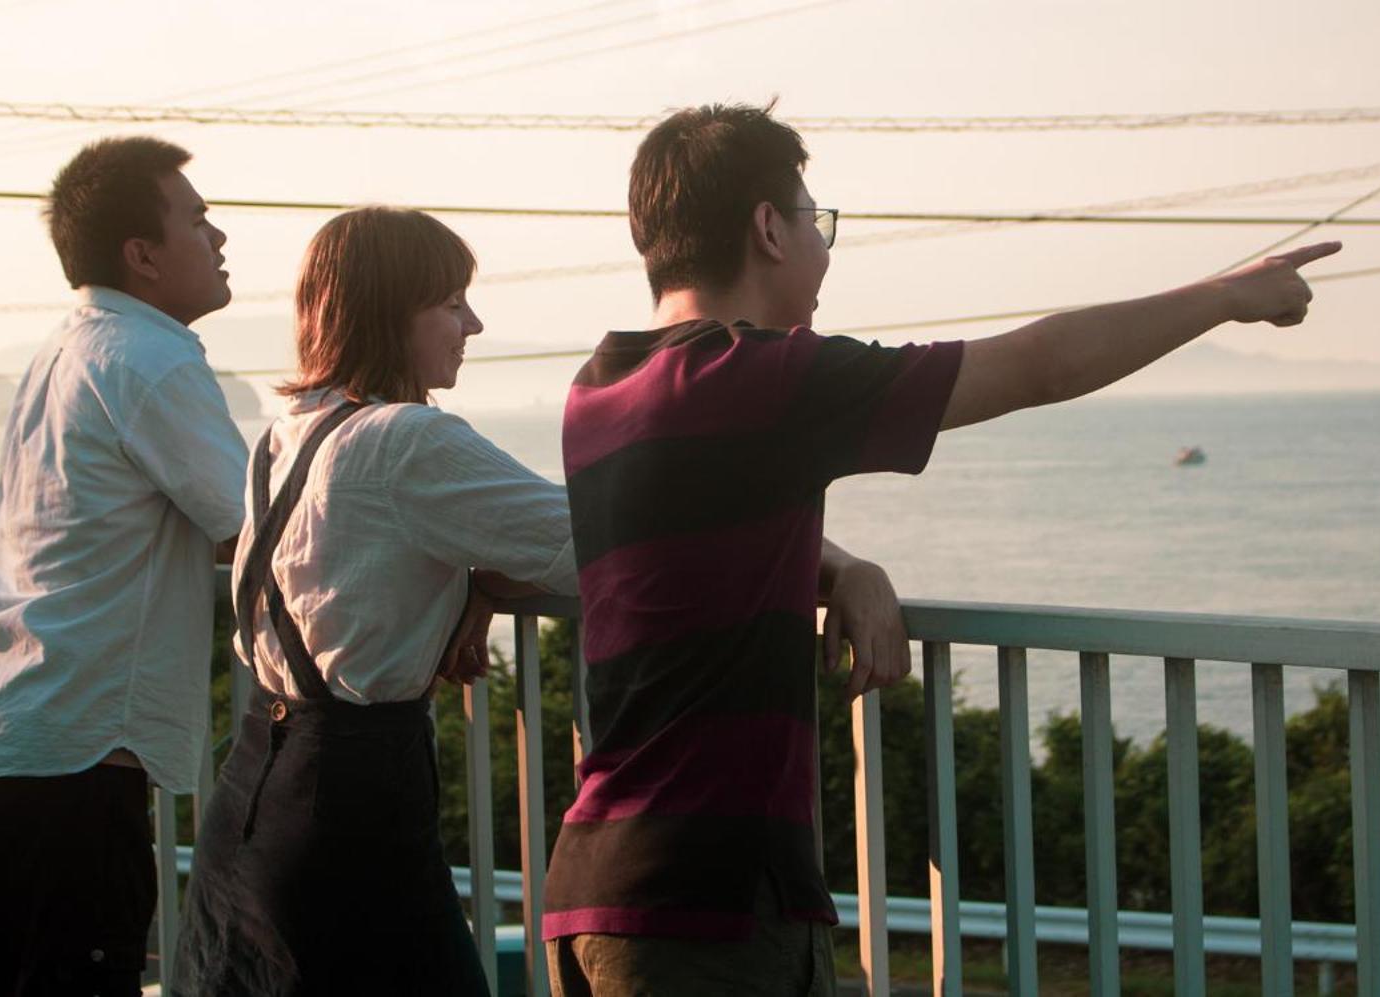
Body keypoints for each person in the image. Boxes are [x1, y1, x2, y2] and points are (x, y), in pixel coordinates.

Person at [543, 104, 1339, 996]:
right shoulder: (768, 378)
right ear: (768, 227)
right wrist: (1229, 296)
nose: (826, 248)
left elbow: (690, 534)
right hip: (711, 905)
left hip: (600, 886)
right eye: (817, 220)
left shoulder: (600, 386)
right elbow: (1039, 365)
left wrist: (843, 566)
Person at [173, 206, 573, 996]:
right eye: (452, 302)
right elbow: (601, 545)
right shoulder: (408, 439)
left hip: (254, 788)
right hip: (354, 807)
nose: (474, 323)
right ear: (394, 314)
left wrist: (473, 581)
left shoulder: (288, 433)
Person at [0, 136, 247, 996]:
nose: (219, 238)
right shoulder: (152, 355)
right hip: (67, 757)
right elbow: (256, 527)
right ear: (141, 255)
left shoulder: (67, 348)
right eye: (198, 220)